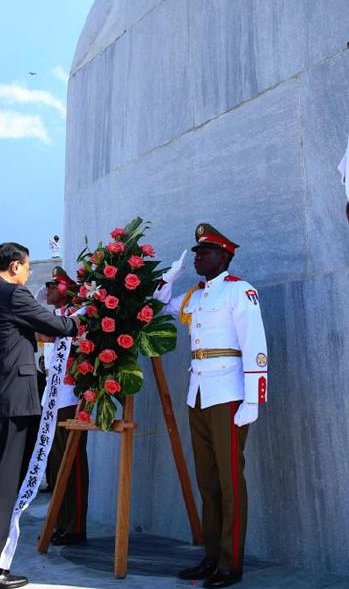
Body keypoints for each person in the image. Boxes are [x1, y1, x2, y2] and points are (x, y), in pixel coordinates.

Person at [154, 224, 268, 589]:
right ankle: (211, 556)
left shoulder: (240, 291)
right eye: (197, 252)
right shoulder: (195, 296)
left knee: (230, 479)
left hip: (229, 394)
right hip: (199, 392)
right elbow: (157, 308)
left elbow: (255, 344)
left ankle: (231, 562)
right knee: (207, 480)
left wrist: (254, 397)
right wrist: (167, 279)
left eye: (205, 252)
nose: (198, 257)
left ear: (224, 256)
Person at [0, 242, 79, 589]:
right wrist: (88, 313)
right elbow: (60, 326)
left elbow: (20, 333)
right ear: (15, 266)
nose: (29, 275)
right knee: (0, 489)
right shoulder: (13, 294)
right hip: (8, 403)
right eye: (27, 268)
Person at [43, 267, 89, 546]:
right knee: (55, 460)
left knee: (71, 458)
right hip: (52, 393)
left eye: (52, 284)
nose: (48, 288)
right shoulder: (52, 318)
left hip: (71, 394)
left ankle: (76, 525)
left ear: (67, 290)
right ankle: (61, 521)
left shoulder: (78, 316)